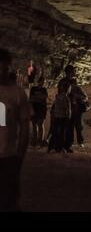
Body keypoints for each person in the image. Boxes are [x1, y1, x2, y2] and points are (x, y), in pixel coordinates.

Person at [0, 48, 30, 212]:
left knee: (8, 201)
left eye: (4, 69)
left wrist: (20, 155)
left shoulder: (17, 93)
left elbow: (25, 126)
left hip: (8, 156)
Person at [48, 83, 71, 153]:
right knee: (62, 133)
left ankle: (51, 147)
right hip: (63, 117)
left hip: (56, 116)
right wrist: (68, 116)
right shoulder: (66, 98)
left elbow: (55, 107)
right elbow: (67, 109)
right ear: (68, 89)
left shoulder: (58, 97)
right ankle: (59, 148)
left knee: (55, 132)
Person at [67, 77, 89, 149]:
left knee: (78, 127)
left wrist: (78, 97)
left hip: (78, 111)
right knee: (71, 127)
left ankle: (80, 142)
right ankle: (71, 142)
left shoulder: (78, 89)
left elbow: (85, 97)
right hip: (71, 111)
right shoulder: (68, 90)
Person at [29, 76, 48, 147]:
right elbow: (31, 99)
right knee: (34, 126)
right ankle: (34, 141)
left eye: (43, 82)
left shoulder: (44, 89)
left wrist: (35, 98)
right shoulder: (33, 89)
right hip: (35, 109)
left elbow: (45, 97)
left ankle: (40, 141)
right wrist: (39, 99)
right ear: (39, 81)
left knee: (40, 125)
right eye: (42, 81)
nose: (43, 83)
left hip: (41, 109)